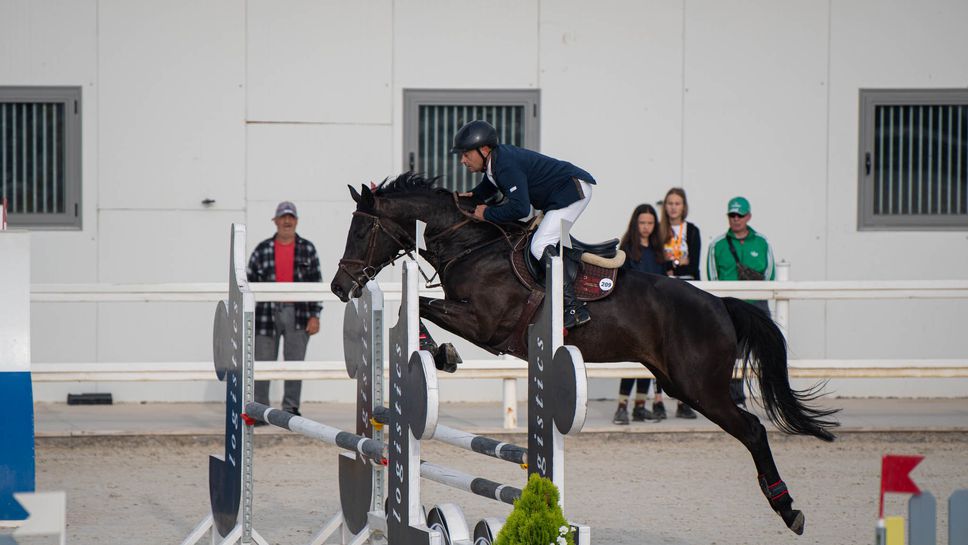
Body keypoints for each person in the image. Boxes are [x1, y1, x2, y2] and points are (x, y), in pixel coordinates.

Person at [452, 120, 596, 329]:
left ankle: (573, 308)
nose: (462, 161)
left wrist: (488, 213)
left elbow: (521, 209)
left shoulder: (505, 164)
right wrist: (474, 195)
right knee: (538, 240)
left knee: (539, 245)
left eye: (466, 154)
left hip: (573, 191)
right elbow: (490, 184)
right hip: (561, 191)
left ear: (484, 150)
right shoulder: (495, 162)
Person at [246, 201, 322, 421]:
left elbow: (316, 283)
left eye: (291, 217)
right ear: (275, 221)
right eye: (283, 217)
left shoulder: (308, 249)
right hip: (265, 315)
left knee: (294, 364)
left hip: (298, 314)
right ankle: (259, 411)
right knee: (262, 363)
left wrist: (315, 315)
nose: (287, 221)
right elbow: (249, 285)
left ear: (296, 221)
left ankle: (290, 411)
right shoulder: (262, 249)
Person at [707, 196, 776, 408]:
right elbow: (712, 277)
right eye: (732, 215)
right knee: (731, 353)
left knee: (768, 352)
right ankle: (737, 400)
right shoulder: (717, 244)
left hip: (757, 304)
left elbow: (770, 274)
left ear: (748, 216)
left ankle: (773, 398)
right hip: (730, 307)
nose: (735, 219)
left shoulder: (762, 242)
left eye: (739, 215)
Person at [612, 204, 664, 424]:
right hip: (633, 314)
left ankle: (640, 406)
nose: (646, 227)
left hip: (654, 314)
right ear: (635, 223)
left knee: (649, 361)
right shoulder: (627, 249)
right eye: (642, 222)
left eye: (650, 223)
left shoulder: (658, 251)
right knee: (631, 360)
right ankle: (622, 406)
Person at [652, 187, 700, 420]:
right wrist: (677, 264)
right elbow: (658, 263)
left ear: (684, 206)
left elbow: (694, 265)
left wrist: (676, 266)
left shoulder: (692, 231)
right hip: (662, 292)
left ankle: (684, 400)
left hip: (686, 291)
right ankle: (657, 399)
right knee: (657, 346)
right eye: (669, 203)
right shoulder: (657, 231)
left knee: (683, 348)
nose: (673, 207)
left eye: (677, 203)